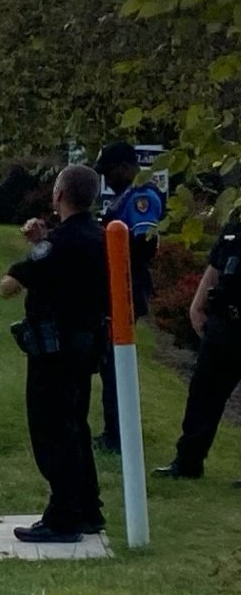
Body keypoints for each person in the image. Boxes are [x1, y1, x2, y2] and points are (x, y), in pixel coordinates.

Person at [0, 164, 110, 542]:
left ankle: (63, 517)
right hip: (86, 344)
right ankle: (87, 508)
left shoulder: (58, 244)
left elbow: (9, 286)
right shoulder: (98, 236)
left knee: (52, 431)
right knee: (76, 426)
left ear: (59, 195)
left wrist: (37, 250)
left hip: (53, 349)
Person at [155, 211, 241, 485]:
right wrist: (197, 304)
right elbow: (216, 266)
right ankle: (188, 462)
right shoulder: (235, 224)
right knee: (203, 393)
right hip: (225, 321)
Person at [91, 141, 165, 453]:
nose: (106, 179)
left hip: (127, 283)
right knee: (109, 362)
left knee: (115, 361)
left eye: (108, 172)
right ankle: (114, 429)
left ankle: (117, 434)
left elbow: (143, 246)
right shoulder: (124, 197)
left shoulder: (141, 198)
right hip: (115, 283)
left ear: (124, 167)